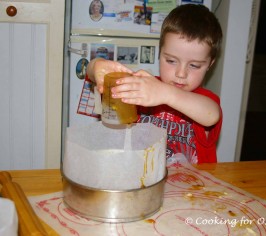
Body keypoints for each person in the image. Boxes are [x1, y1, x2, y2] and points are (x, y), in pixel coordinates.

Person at [87, 4, 223, 164]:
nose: (181, 74)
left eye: (194, 65)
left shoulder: (205, 101)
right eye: (171, 60)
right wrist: (97, 65)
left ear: (210, 64)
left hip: (192, 187)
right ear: (160, 54)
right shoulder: (144, 88)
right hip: (143, 181)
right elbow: (92, 75)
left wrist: (165, 93)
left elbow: (211, 115)